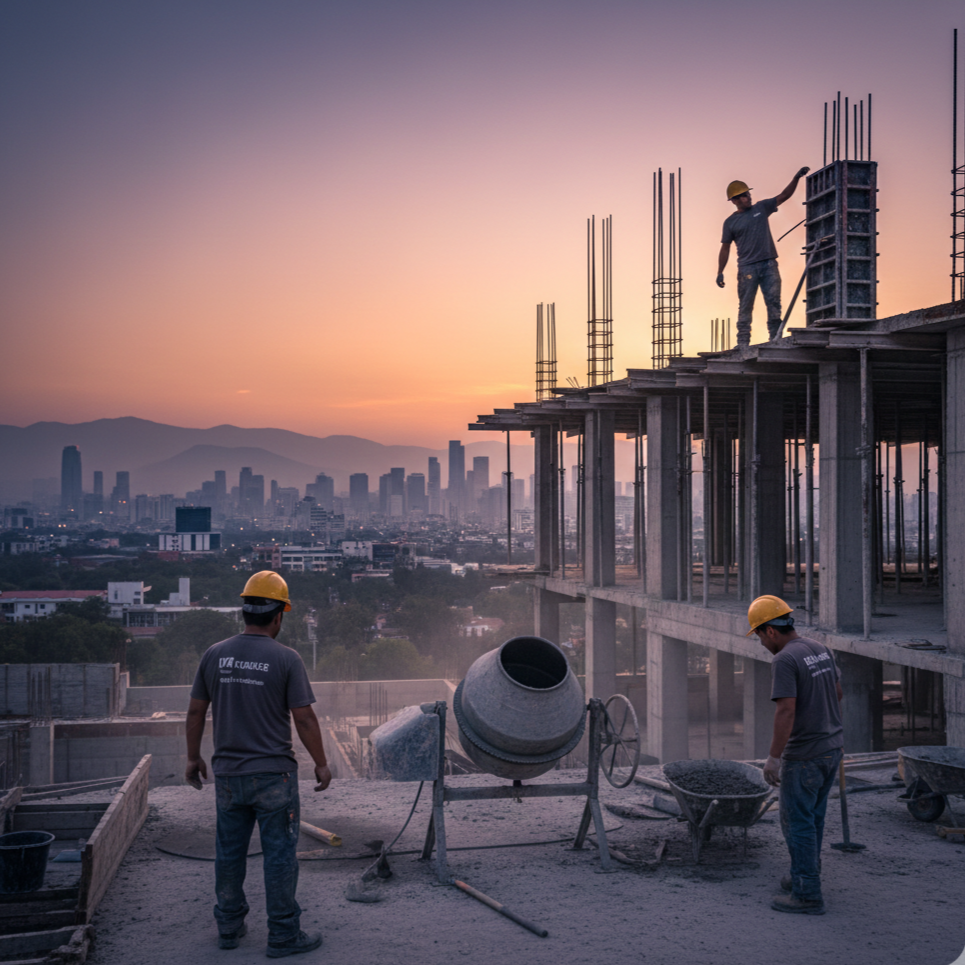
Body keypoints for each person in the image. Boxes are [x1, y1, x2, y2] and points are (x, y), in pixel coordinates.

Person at [185, 571, 332, 957]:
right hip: (274, 778)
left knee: (229, 854)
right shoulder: (287, 659)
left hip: (229, 777)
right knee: (280, 856)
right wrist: (320, 763)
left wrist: (192, 757)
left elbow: (196, 712)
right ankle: (283, 935)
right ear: (279, 615)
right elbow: (303, 718)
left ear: (245, 611)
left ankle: (229, 928)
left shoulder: (214, 654)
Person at [747, 594, 843, 916]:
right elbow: (838, 692)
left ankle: (807, 894)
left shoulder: (785, 660)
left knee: (797, 822)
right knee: (813, 818)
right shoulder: (819, 649)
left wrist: (774, 758)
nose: (761, 643)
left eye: (759, 636)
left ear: (769, 631)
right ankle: (805, 874)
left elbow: (786, 709)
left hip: (805, 756)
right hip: (832, 749)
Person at [716, 168, 809, 347]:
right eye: (743, 196)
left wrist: (796, 178)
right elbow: (725, 248)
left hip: (769, 265)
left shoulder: (761, 208)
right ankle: (742, 343)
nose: (748, 197)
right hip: (747, 269)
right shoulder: (730, 223)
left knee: (774, 303)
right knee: (745, 306)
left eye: (748, 194)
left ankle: (775, 339)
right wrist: (720, 272)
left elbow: (784, 196)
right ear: (734, 200)